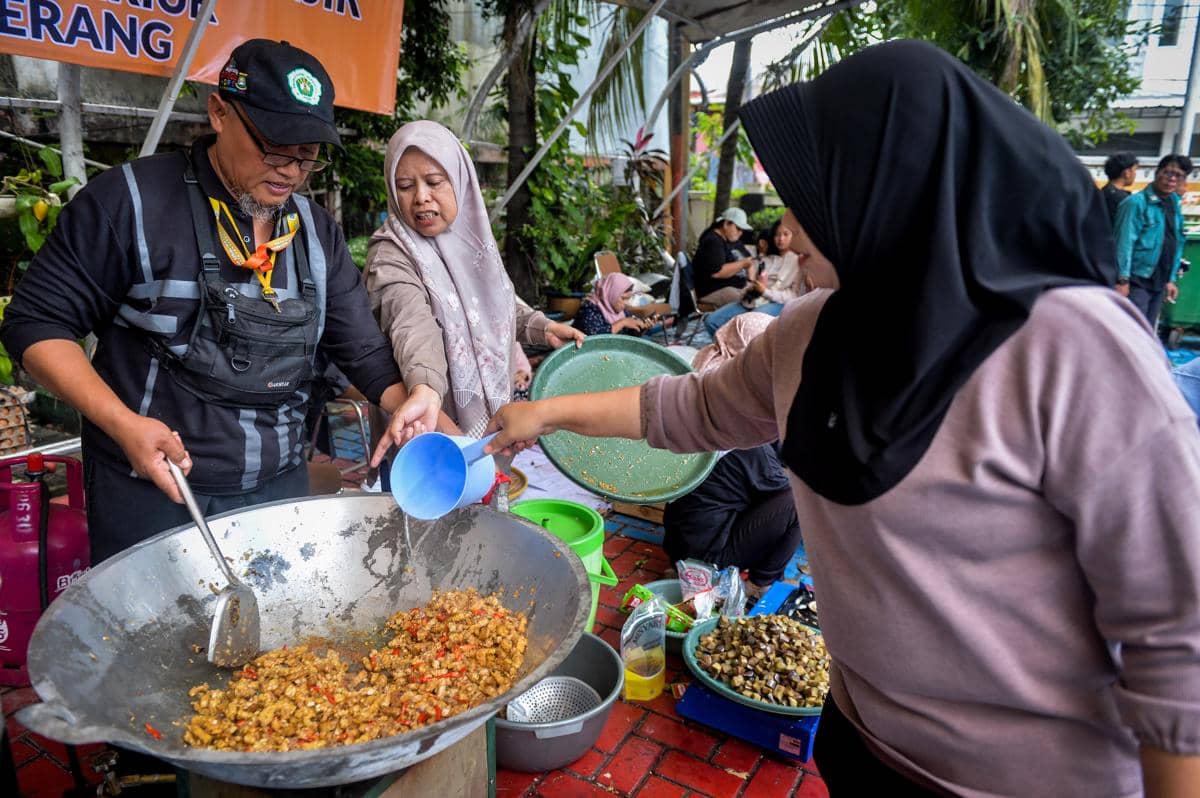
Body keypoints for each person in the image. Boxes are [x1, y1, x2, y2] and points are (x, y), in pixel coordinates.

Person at [486, 40, 1200, 797]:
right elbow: (688, 408)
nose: (787, 225)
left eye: (810, 190)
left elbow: (1176, 636)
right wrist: (547, 411)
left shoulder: (1070, 346)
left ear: (889, 188)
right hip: (861, 747)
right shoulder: (809, 331)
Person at [0, 40, 439, 562]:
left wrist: (409, 402)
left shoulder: (317, 234)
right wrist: (121, 424)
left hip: (277, 493)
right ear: (219, 112)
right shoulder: (130, 203)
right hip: (154, 489)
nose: (291, 172)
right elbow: (36, 323)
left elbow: (361, 349)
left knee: (280, 639)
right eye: (275, 148)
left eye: (307, 157)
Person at [364, 121, 583, 439]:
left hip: (488, 423)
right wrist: (425, 390)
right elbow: (410, 325)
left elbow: (487, 305)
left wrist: (542, 327)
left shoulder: (470, 240)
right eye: (405, 185)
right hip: (427, 424)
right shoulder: (391, 255)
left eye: (435, 181)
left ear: (460, 181)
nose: (422, 197)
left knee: (490, 483)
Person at [663, 313, 800, 596]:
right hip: (706, 554)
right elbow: (782, 488)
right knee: (800, 502)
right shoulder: (741, 427)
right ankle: (758, 584)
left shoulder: (704, 393)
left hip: (680, 543)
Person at [1113, 154, 1192, 326]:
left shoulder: (1173, 203)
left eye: (1179, 175)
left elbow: (1176, 241)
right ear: (1157, 173)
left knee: (1147, 332)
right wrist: (1122, 280)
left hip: (1160, 281)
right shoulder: (1135, 203)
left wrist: (1171, 280)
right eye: (1168, 173)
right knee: (1132, 329)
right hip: (1137, 280)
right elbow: (1124, 243)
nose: (1172, 179)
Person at [703, 217, 813, 335]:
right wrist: (750, 289)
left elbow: (793, 296)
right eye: (777, 235)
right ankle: (728, 350)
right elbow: (751, 283)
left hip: (780, 304)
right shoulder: (767, 259)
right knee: (712, 321)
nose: (781, 239)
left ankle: (740, 350)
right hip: (754, 300)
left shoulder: (799, 262)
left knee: (749, 321)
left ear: (794, 236)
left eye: (786, 234)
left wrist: (765, 291)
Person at [690, 207, 756, 307]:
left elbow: (750, 262)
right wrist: (742, 264)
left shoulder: (733, 240)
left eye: (742, 230)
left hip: (738, 287)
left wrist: (750, 282)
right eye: (738, 228)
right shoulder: (713, 241)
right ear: (726, 224)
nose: (740, 233)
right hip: (712, 291)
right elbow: (717, 272)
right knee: (749, 302)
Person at [570, 273, 651, 336]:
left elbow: (629, 335)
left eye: (628, 299)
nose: (626, 303)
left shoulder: (622, 312)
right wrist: (622, 323)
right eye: (623, 298)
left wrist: (642, 327)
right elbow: (594, 336)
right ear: (612, 294)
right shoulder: (589, 309)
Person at [1100, 152, 1138, 224]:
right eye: (1135, 170)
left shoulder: (1102, 192)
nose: (1135, 174)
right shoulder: (1125, 200)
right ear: (1127, 173)